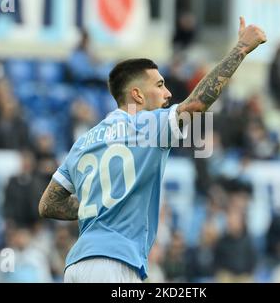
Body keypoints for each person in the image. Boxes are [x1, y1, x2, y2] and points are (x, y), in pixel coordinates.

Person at [38, 17, 266, 283]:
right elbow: (196, 105)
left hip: (77, 266)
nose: (168, 93)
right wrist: (240, 49)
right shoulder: (147, 126)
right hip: (115, 265)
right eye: (159, 85)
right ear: (136, 95)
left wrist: (98, 207)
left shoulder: (84, 141)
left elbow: (48, 205)